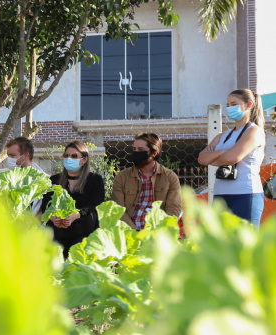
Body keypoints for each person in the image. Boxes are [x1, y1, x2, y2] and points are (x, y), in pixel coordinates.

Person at [198, 88, 266, 226]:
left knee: (245, 245)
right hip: (220, 196)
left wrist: (215, 157)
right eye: (228, 105)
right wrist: (222, 152)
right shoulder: (223, 136)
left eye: (234, 104)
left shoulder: (254, 131)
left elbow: (232, 158)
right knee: (220, 244)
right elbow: (202, 159)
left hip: (246, 195)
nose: (230, 108)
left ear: (249, 105)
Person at [41, 141, 105, 257]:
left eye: (74, 156)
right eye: (66, 155)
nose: (69, 158)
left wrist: (76, 215)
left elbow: (95, 205)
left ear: (84, 159)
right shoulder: (54, 180)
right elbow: (46, 204)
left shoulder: (95, 180)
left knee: (77, 263)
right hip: (58, 232)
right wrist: (52, 217)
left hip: (83, 232)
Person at [111, 133, 183, 231]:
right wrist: (134, 233)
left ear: (154, 153)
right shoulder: (122, 177)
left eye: (140, 150)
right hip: (130, 234)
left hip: (158, 235)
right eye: (134, 149)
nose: (136, 152)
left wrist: (158, 233)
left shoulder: (170, 177)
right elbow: (118, 210)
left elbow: (173, 209)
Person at [3, 137, 47, 215]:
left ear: (26, 156)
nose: (9, 159)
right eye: (8, 156)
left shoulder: (46, 180)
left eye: (12, 156)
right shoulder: (3, 178)